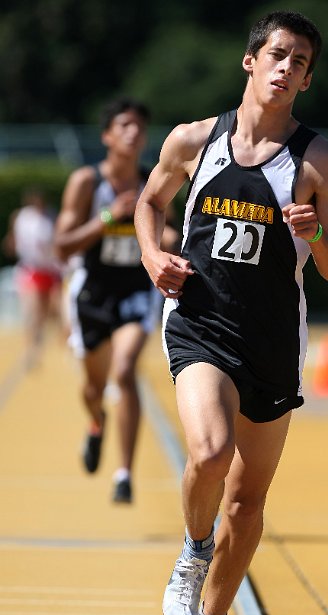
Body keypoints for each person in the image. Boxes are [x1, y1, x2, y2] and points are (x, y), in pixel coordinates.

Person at [134, 11, 328, 615]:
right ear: (250, 62)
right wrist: (152, 256)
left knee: (247, 501)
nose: (287, 68)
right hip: (199, 321)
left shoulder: (321, 162)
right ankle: (193, 550)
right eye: (278, 55)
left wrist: (317, 236)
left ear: (307, 80)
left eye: (300, 63)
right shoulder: (195, 140)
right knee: (208, 453)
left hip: (272, 341)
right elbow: (148, 203)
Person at [55, 98, 179, 504]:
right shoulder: (87, 183)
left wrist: (159, 238)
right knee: (93, 387)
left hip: (135, 290)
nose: (133, 132)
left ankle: (124, 474)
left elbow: (173, 234)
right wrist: (109, 218)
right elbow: (61, 246)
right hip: (93, 291)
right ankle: (96, 422)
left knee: (124, 372)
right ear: (107, 135)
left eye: (140, 127)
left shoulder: (154, 181)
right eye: (124, 125)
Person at [3, 187, 63, 368]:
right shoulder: (20, 217)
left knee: (49, 313)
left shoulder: (51, 217)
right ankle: (31, 350)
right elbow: (11, 240)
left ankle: (43, 342)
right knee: (32, 311)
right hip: (30, 270)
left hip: (51, 270)